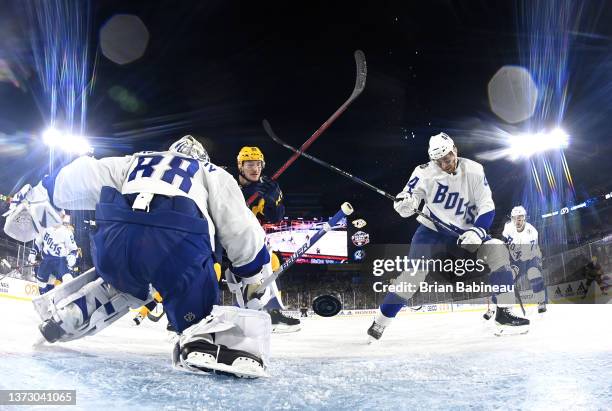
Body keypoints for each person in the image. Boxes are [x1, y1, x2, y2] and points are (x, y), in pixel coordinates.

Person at [4, 136, 272, 378]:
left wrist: (47, 195)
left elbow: (86, 173)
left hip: (114, 236)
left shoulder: (138, 159)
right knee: (192, 290)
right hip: (177, 239)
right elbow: (239, 226)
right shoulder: (211, 171)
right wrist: (252, 268)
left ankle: (75, 312)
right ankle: (199, 337)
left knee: (124, 281)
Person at [367, 132, 528, 341]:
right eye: (438, 161)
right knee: (412, 277)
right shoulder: (423, 172)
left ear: (455, 151)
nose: (444, 164)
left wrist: (477, 231)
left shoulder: (474, 170)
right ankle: (380, 322)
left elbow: (487, 206)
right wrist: (405, 205)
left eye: (447, 158)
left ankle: (504, 314)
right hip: (432, 232)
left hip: (466, 234)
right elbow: (409, 200)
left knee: (498, 248)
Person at [236, 146, 300, 333]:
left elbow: (276, 218)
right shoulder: (228, 183)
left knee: (272, 262)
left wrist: (272, 201)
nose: (255, 169)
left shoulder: (268, 187)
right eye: (249, 164)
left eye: (258, 164)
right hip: (224, 238)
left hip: (250, 240)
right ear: (240, 166)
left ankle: (273, 313)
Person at [501, 206, 547, 313]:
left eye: (520, 218)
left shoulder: (532, 232)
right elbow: (503, 242)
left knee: (533, 273)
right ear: (512, 218)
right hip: (515, 261)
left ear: (524, 218)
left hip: (529, 259)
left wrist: (538, 259)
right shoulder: (508, 227)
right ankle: (504, 306)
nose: (517, 220)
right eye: (515, 218)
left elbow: (534, 249)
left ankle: (541, 302)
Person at [30, 211, 78, 294]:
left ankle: (63, 298)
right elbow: (38, 243)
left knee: (67, 279)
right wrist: (33, 252)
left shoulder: (67, 232)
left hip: (60, 262)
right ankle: (44, 300)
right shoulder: (45, 229)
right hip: (46, 261)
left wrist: (72, 255)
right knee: (41, 282)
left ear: (62, 217)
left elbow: (73, 249)